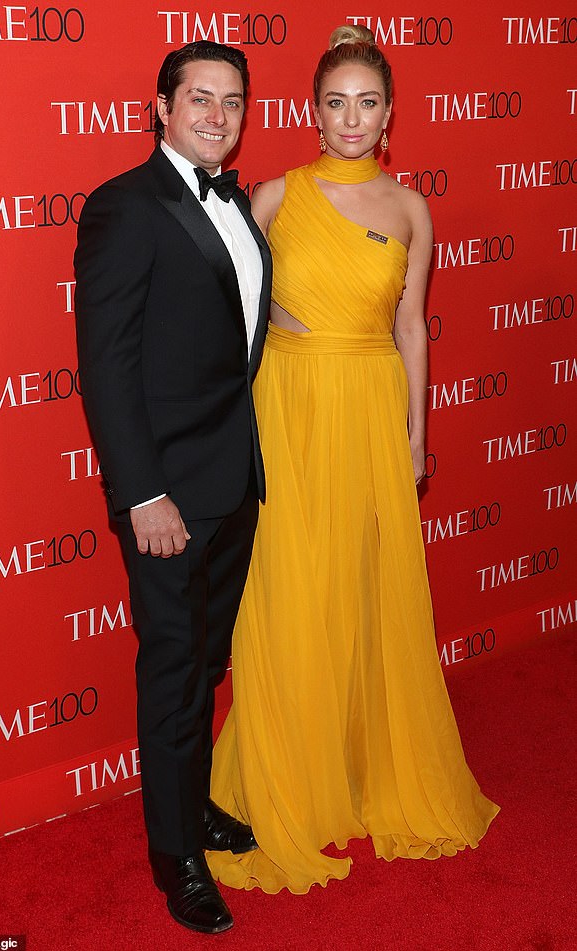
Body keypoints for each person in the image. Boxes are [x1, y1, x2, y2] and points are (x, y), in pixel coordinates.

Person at [207, 25, 499, 895]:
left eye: (367, 103)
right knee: (292, 591)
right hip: (289, 410)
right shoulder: (271, 195)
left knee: (367, 590)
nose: (351, 118)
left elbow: (412, 328)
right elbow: (220, 307)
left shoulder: (412, 209)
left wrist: (416, 435)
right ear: (313, 110)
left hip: (371, 410)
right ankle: (293, 777)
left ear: (390, 114)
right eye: (335, 103)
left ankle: (365, 765)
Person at [74, 41, 272, 933]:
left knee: (208, 664)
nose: (217, 115)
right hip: (167, 497)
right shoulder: (125, 206)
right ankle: (175, 857)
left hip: (234, 482)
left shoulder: (240, 203)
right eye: (199, 98)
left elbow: (235, 334)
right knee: (172, 672)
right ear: (160, 106)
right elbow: (107, 364)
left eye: (232, 100)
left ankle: (192, 812)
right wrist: (142, 491)